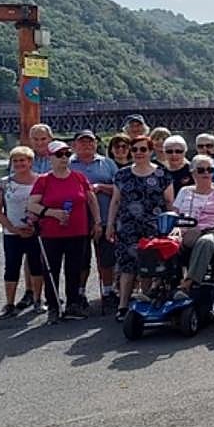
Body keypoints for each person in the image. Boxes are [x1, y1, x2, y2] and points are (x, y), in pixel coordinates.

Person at [26, 140, 100, 323]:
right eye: (59, 155)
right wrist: (52, 213)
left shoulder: (79, 177)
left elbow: (91, 201)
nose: (64, 158)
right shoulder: (44, 180)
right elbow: (32, 204)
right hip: (52, 233)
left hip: (78, 231)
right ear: (50, 157)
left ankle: (73, 304)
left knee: (74, 269)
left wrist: (97, 222)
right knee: (51, 270)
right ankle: (53, 306)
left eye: (67, 154)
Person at [106, 135, 175, 321]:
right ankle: (123, 305)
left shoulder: (162, 174)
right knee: (127, 266)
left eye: (143, 149)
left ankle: (144, 300)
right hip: (127, 226)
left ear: (151, 151)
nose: (138, 153)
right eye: (134, 149)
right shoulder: (122, 174)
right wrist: (110, 224)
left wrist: (172, 227)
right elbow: (115, 201)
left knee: (149, 264)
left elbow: (170, 202)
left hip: (153, 226)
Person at [170, 155, 214, 300]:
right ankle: (158, 284)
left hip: (213, 230)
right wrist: (175, 228)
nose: (206, 173)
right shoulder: (185, 191)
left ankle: (187, 284)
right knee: (166, 242)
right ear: (193, 173)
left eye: (210, 170)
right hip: (186, 230)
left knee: (205, 241)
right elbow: (174, 215)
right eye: (201, 170)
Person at [69, 130, 118, 311]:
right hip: (78, 221)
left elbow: (119, 189)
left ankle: (107, 292)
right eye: (82, 142)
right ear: (75, 145)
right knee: (81, 260)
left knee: (106, 259)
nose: (87, 145)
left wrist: (101, 187)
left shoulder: (108, 163)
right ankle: (79, 293)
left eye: (90, 142)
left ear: (96, 144)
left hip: (105, 218)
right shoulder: (69, 164)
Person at [0, 146, 41, 318]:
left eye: (23, 160)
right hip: (12, 233)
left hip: (35, 232)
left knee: (37, 266)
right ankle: (10, 304)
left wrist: (34, 226)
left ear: (30, 162)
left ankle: (37, 300)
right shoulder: (3, 183)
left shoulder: (41, 181)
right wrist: (11, 228)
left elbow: (45, 206)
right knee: (11, 267)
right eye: (16, 160)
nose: (19, 164)